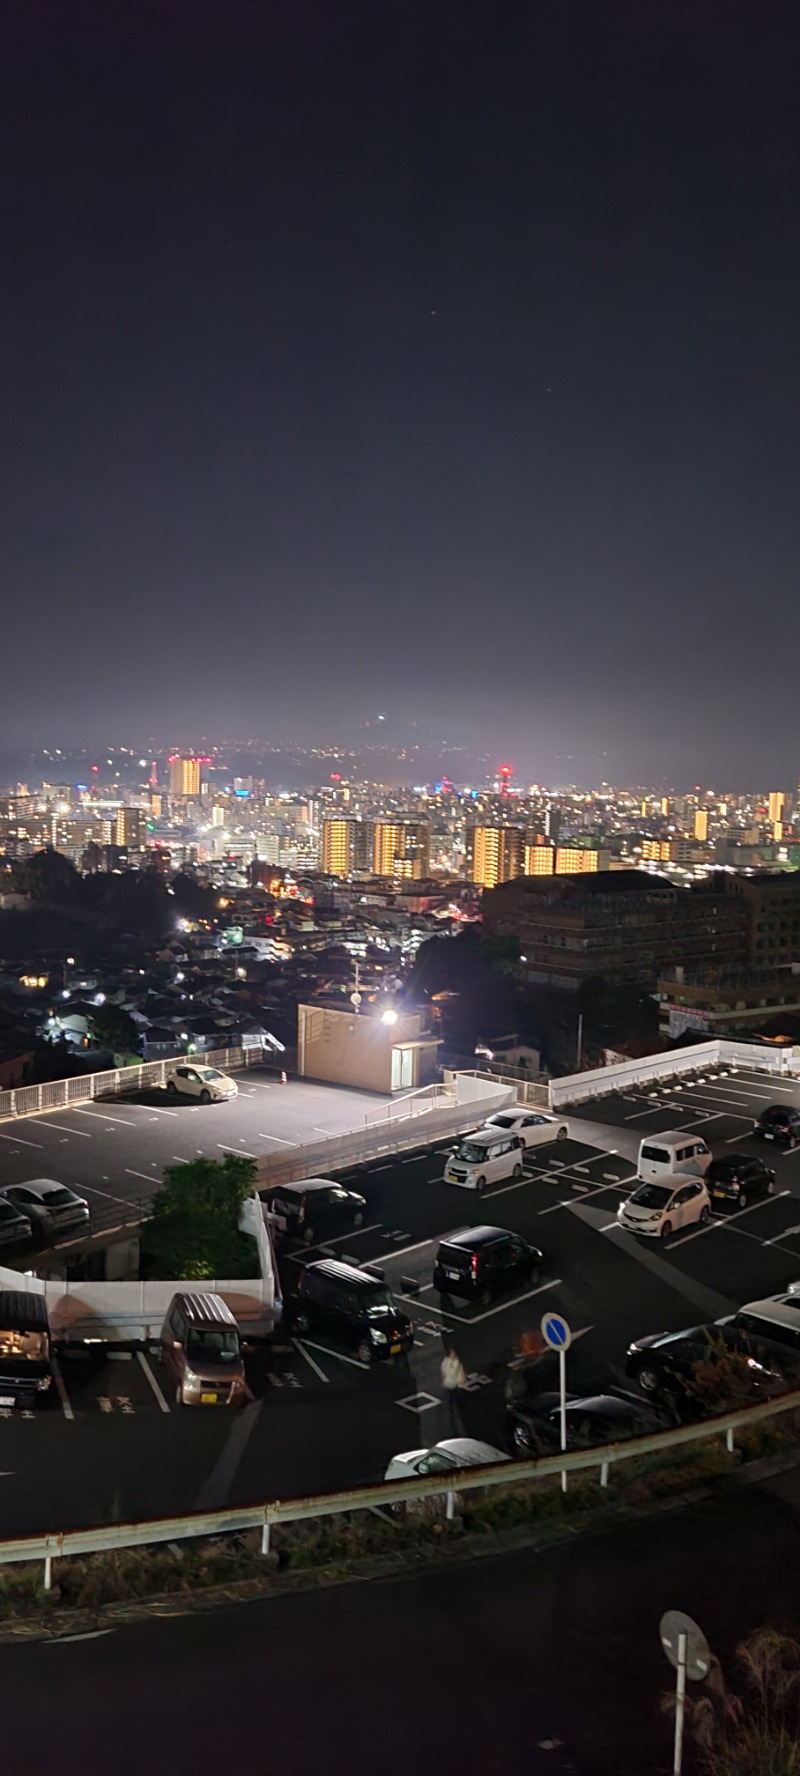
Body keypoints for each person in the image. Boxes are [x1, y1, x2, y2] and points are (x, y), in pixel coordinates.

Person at [440, 1345, 467, 1434]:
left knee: (453, 1397)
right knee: (453, 1397)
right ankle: (454, 1410)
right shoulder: (449, 1362)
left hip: (453, 1383)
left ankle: (454, 1410)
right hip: (450, 1383)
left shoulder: (455, 1362)